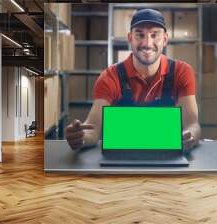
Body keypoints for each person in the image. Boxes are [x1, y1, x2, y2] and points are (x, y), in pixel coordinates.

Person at [66, 8, 201, 152]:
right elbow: (92, 130)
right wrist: (80, 137)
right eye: (140, 35)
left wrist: (190, 136)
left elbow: (193, 124)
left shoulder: (181, 72)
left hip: (167, 153)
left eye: (154, 35)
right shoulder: (110, 77)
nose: (147, 43)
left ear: (165, 39)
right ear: (130, 38)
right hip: (120, 158)